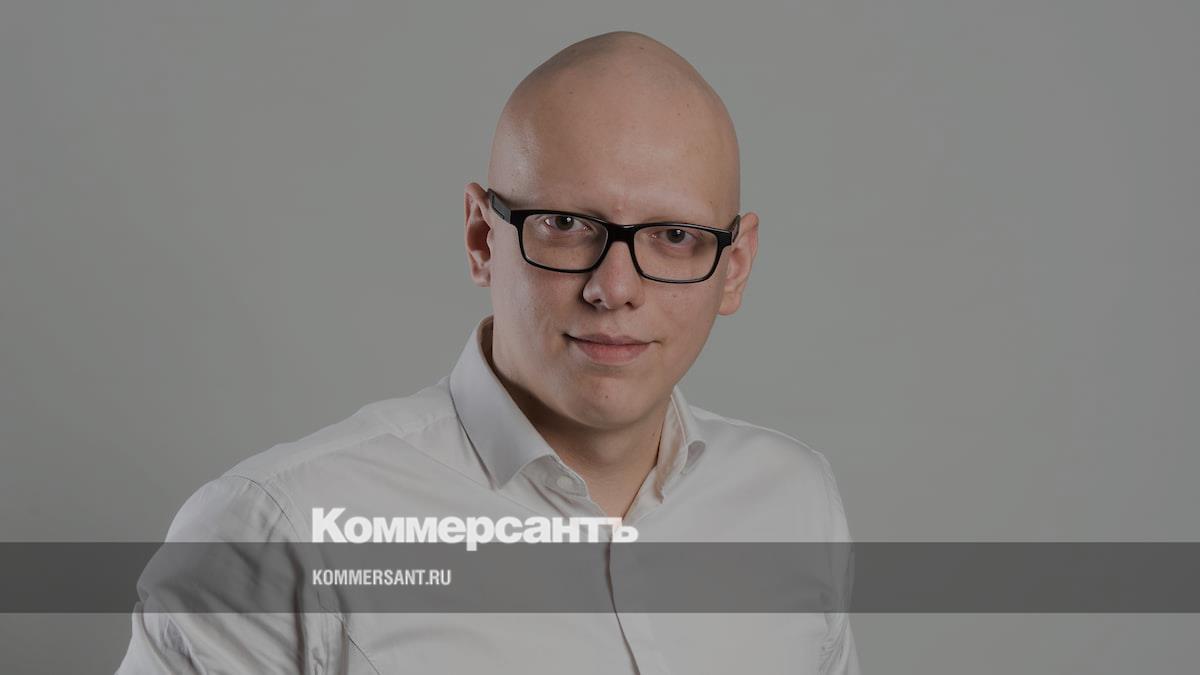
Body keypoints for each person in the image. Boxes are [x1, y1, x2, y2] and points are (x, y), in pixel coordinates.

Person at [116, 30, 861, 674]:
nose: (614, 288)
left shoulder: (794, 500)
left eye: (675, 236)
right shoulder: (277, 537)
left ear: (735, 267)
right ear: (482, 238)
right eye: (565, 223)